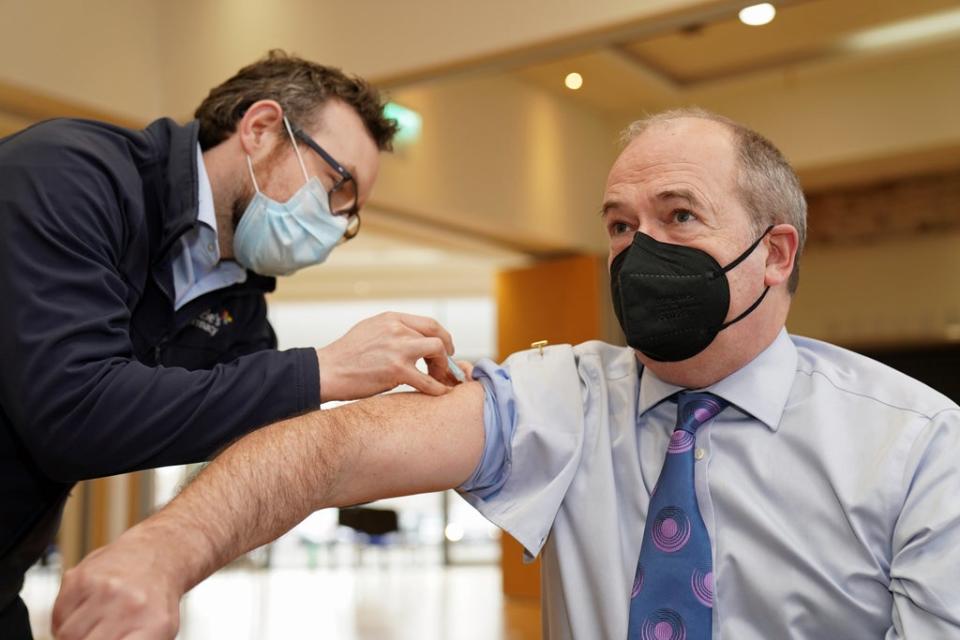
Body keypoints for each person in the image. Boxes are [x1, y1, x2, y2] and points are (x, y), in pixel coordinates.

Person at [51, 109, 960, 639]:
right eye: (618, 225)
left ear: (775, 253)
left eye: (680, 216)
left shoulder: (918, 447)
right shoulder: (572, 391)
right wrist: (160, 550)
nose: (640, 251)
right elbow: (335, 449)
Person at [0, 50, 464, 638]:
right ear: (261, 129)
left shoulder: (239, 304)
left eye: (351, 215)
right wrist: (322, 367)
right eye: (337, 186)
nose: (337, 224)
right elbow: (72, 412)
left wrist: (420, 415)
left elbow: (269, 454)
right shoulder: (71, 177)